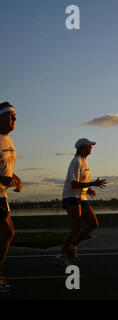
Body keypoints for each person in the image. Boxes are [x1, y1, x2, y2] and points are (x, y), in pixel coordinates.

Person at [52, 138, 107, 266]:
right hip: (71, 196)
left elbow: (80, 183)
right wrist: (93, 183)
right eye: (89, 146)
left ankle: (72, 246)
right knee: (76, 227)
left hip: (81, 197)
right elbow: (73, 183)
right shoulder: (76, 161)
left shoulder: (84, 161)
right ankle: (59, 256)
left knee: (93, 223)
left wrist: (88, 189)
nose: (91, 148)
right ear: (82, 148)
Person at [0, 102, 22, 293]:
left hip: (2, 194)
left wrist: (15, 178)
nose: (14, 119)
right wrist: (5, 178)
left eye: (15, 116)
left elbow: (5, 167)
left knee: (6, 234)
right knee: (7, 233)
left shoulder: (9, 141)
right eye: (10, 116)